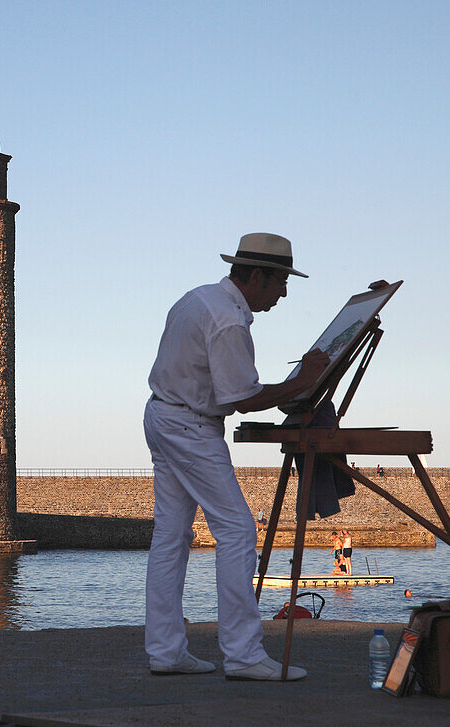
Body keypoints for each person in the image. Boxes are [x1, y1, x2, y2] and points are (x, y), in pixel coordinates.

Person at [143, 232, 336, 682]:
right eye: (280, 282)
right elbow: (242, 398)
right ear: (256, 277)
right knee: (236, 531)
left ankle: (166, 651)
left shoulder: (199, 298)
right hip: (190, 426)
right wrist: (305, 379)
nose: (284, 293)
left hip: (162, 415)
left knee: (171, 537)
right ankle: (244, 655)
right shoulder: (230, 320)